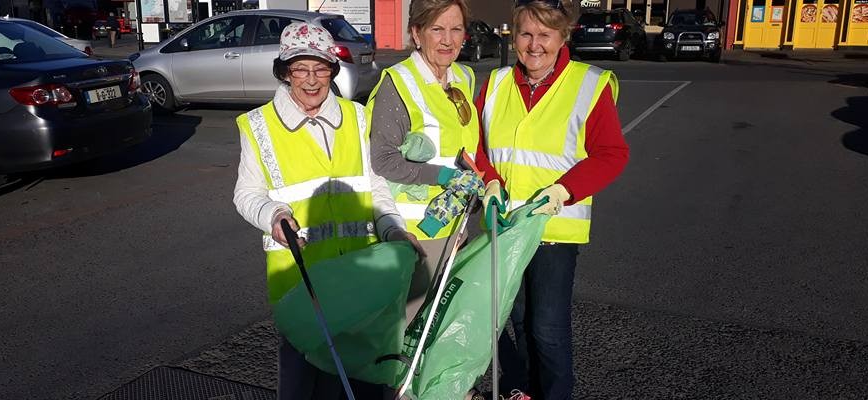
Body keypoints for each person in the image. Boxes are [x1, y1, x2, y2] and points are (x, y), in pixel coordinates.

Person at [233, 21, 423, 399]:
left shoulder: (356, 117)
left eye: (320, 68)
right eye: (300, 68)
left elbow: (376, 186)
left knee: (361, 379)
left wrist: (393, 230)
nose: (311, 80)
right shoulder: (257, 125)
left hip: (357, 277)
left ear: (332, 70)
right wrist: (273, 215)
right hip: (300, 280)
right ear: (285, 72)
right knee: (303, 381)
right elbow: (246, 192)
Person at [474, 0, 630, 398]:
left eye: (545, 34)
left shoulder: (589, 85)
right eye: (526, 33)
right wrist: (489, 180)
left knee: (547, 328)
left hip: (553, 229)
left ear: (563, 37)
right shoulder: (496, 85)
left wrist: (563, 191)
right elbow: (476, 148)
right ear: (514, 35)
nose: (534, 44)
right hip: (506, 225)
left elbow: (611, 154)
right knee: (520, 321)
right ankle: (525, 390)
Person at [366, 0, 484, 322]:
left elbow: (464, 147)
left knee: (433, 329)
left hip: (452, 225)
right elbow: (383, 161)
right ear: (416, 34)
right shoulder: (399, 83)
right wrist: (446, 176)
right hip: (412, 234)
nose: (448, 40)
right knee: (401, 328)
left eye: (456, 29)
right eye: (437, 29)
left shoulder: (463, 77)